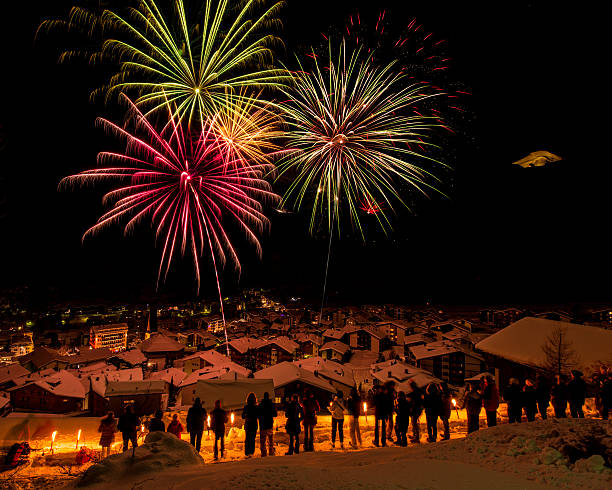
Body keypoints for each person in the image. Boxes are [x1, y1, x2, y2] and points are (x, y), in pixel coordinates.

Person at [258, 392, 277, 457]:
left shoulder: (260, 405)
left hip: (262, 424)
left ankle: (263, 453)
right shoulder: (271, 404)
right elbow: (275, 414)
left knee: (263, 440)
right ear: (268, 397)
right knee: (270, 439)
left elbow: (258, 414)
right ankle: (271, 451)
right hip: (269, 424)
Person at [242, 392, 259, 457]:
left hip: (248, 425)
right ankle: (251, 452)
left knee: (247, 438)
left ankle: (247, 452)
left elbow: (243, 416)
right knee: (252, 439)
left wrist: (246, 415)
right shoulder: (256, 407)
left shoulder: (246, 407)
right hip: (254, 425)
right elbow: (258, 415)